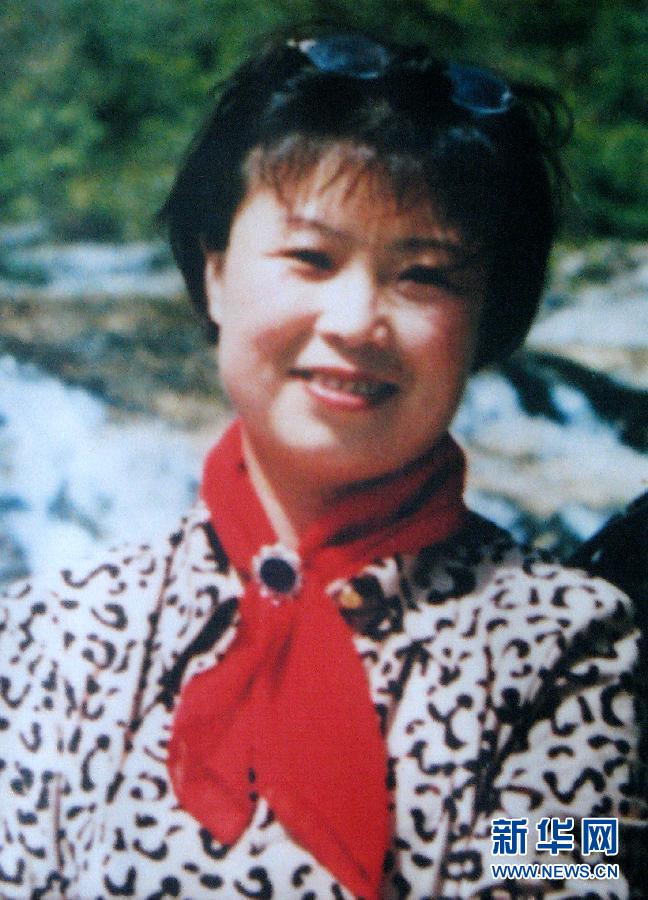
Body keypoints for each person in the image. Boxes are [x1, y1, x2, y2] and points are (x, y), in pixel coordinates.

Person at [1, 31, 645, 900]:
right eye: (311, 258)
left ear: (487, 318)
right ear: (216, 273)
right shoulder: (50, 634)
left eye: (424, 275)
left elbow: (565, 882)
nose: (355, 320)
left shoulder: (571, 644)